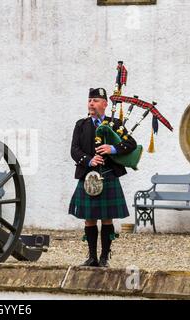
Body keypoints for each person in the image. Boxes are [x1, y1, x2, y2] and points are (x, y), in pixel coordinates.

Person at [69, 88, 137, 267]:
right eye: (90, 100)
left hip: (108, 175)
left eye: (96, 100)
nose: (91, 103)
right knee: (89, 217)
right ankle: (92, 257)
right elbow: (74, 150)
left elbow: (131, 144)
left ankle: (104, 257)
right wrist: (89, 160)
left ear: (105, 104)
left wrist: (112, 149)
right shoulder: (81, 124)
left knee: (107, 217)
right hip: (88, 176)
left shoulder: (115, 123)